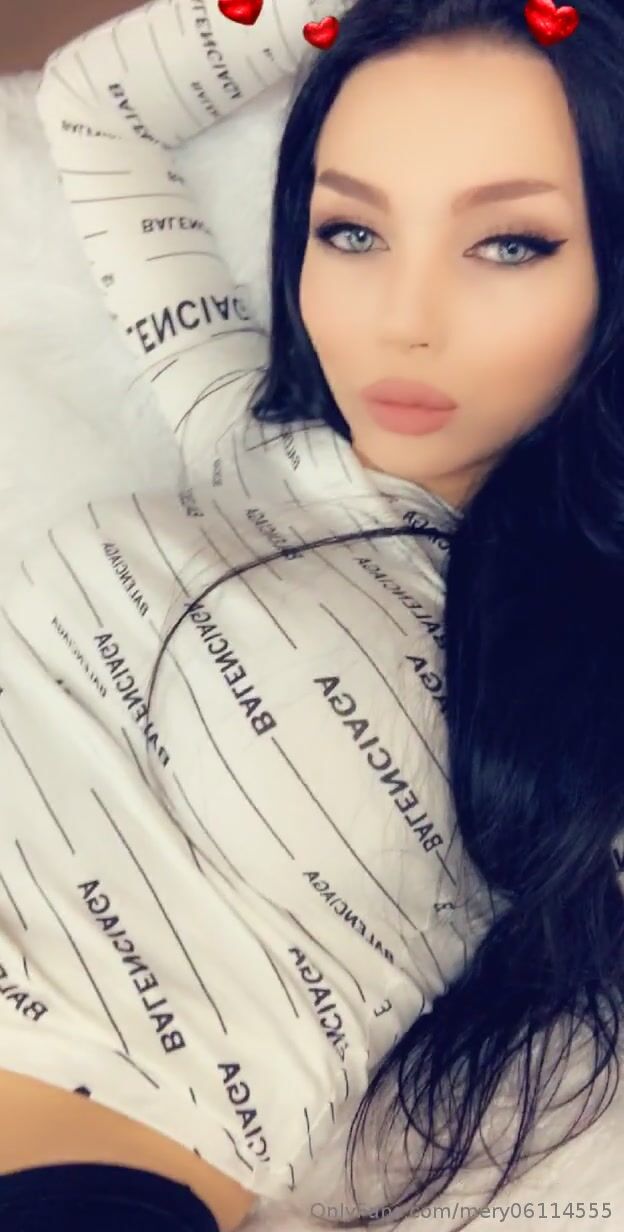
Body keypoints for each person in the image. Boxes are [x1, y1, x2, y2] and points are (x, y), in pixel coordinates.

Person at [0, 0, 623, 1229]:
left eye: (510, 244)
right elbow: (100, 106)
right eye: (352, 230)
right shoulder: (241, 436)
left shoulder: (591, 658)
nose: (402, 318)